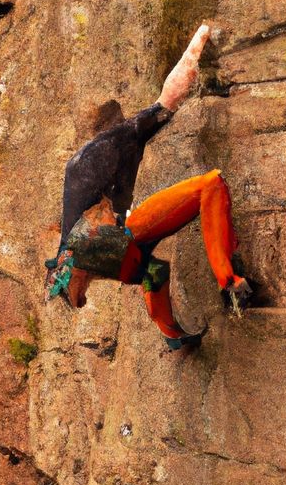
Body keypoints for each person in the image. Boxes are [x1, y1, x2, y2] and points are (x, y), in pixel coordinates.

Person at [45, 24, 252, 350]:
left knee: (204, 178)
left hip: (119, 223)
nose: (81, 298)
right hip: (116, 226)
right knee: (147, 267)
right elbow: (145, 268)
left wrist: (203, 36)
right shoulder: (80, 247)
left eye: (75, 291)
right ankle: (181, 330)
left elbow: (131, 255)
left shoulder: (80, 243)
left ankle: (226, 282)